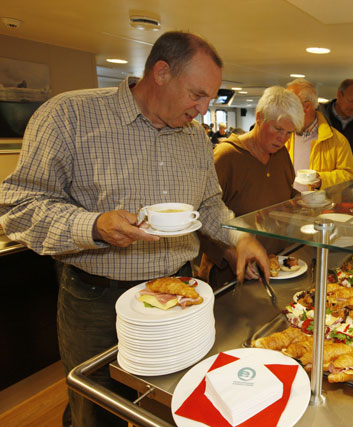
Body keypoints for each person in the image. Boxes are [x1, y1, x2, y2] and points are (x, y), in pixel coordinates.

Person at [0, 31, 269, 427]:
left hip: (181, 292)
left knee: (176, 401)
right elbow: (18, 205)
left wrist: (239, 236)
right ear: (161, 73)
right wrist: (92, 225)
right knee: (96, 410)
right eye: (197, 95)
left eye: (209, 98)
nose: (203, 108)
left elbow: (209, 204)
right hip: (96, 299)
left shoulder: (195, 137)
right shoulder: (69, 115)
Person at [198, 86, 302, 286]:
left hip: (276, 267)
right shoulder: (226, 156)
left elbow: (285, 194)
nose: (283, 139)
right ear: (260, 118)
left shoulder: (281, 155)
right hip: (230, 275)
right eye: (278, 129)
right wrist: (230, 254)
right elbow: (202, 218)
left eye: (289, 133)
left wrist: (305, 204)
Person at [285, 78, 353, 192]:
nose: (285, 110)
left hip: (321, 207)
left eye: (290, 105)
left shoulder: (337, 140)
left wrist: (322, 180)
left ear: (307, 107)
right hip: (288, 206)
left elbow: (350, 175)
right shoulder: (283, 137)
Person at [318, 79, 353, 176]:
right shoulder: (319, 115)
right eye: (350, 101)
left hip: (348, 182)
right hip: (322, 179)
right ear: (339, 95)